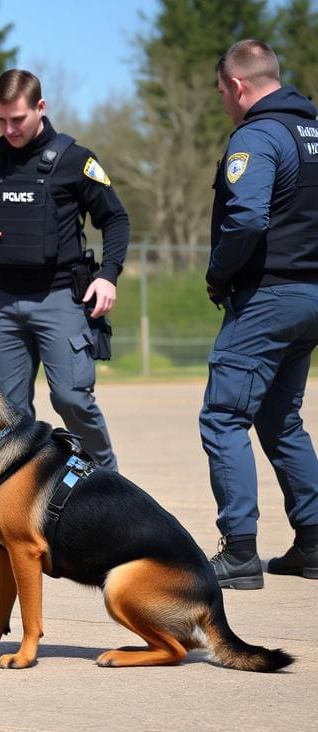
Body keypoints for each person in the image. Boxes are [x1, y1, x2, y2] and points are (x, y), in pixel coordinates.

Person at [0, 69, 129, 534]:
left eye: (17, 120)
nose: (8, 130)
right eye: (1, 120)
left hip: (59, 298)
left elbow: (116, 220)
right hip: (4, 302)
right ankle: (5, 500)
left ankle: (110, 484)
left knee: (72, 396)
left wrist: (108, 277)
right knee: (7, 411)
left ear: (41, 108)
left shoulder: (76, 160)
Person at [201, 40, 318, 589]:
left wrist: (219, 274)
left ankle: (239, 551)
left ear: (239, 85)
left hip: (268, 296)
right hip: (310, 298)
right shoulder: (312, 134)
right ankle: (314, 544)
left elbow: (246, 219)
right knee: (280, 418)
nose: (223, 99)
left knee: (224, 417)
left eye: (222, 90)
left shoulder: (258, 135)